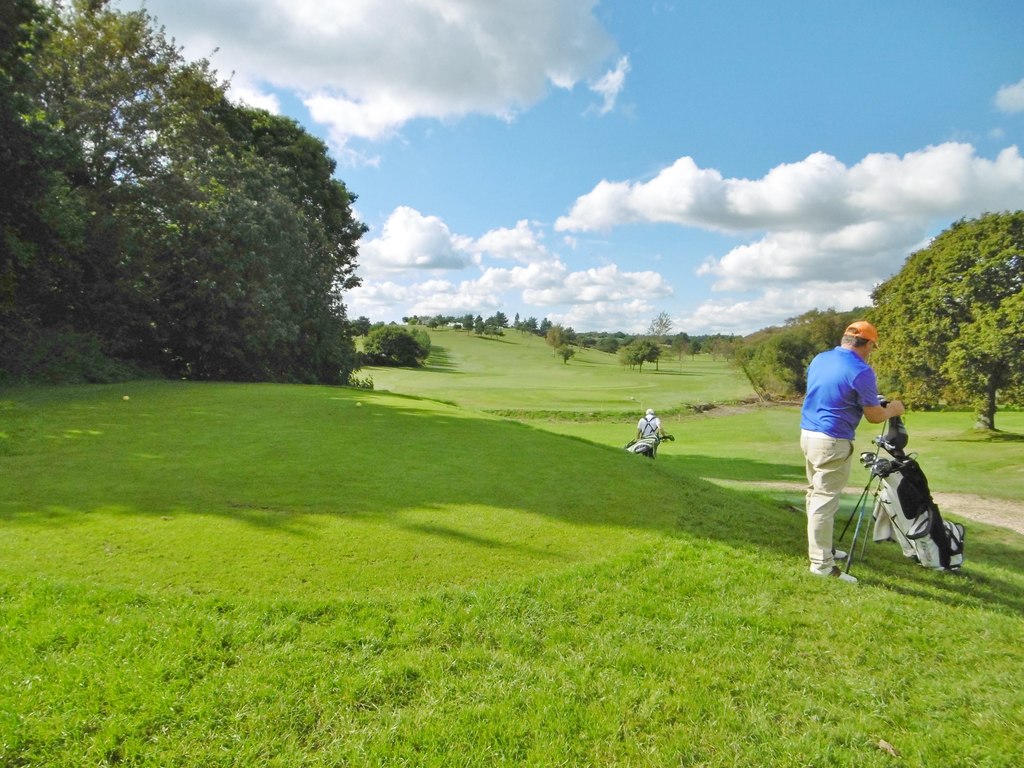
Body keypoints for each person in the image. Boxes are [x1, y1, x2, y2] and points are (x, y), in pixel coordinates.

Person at [800, 321, 905, 583]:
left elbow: (834, 392)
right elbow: (874, 416)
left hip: (808, 434)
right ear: (868, 344)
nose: (871, 351)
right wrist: (894, 409)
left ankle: (823, 549)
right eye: (872, 347)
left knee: (815, 494)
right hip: (833, 440)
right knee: (824, 500)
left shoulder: (821, 359)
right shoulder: (862, 371)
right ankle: (822, 565)